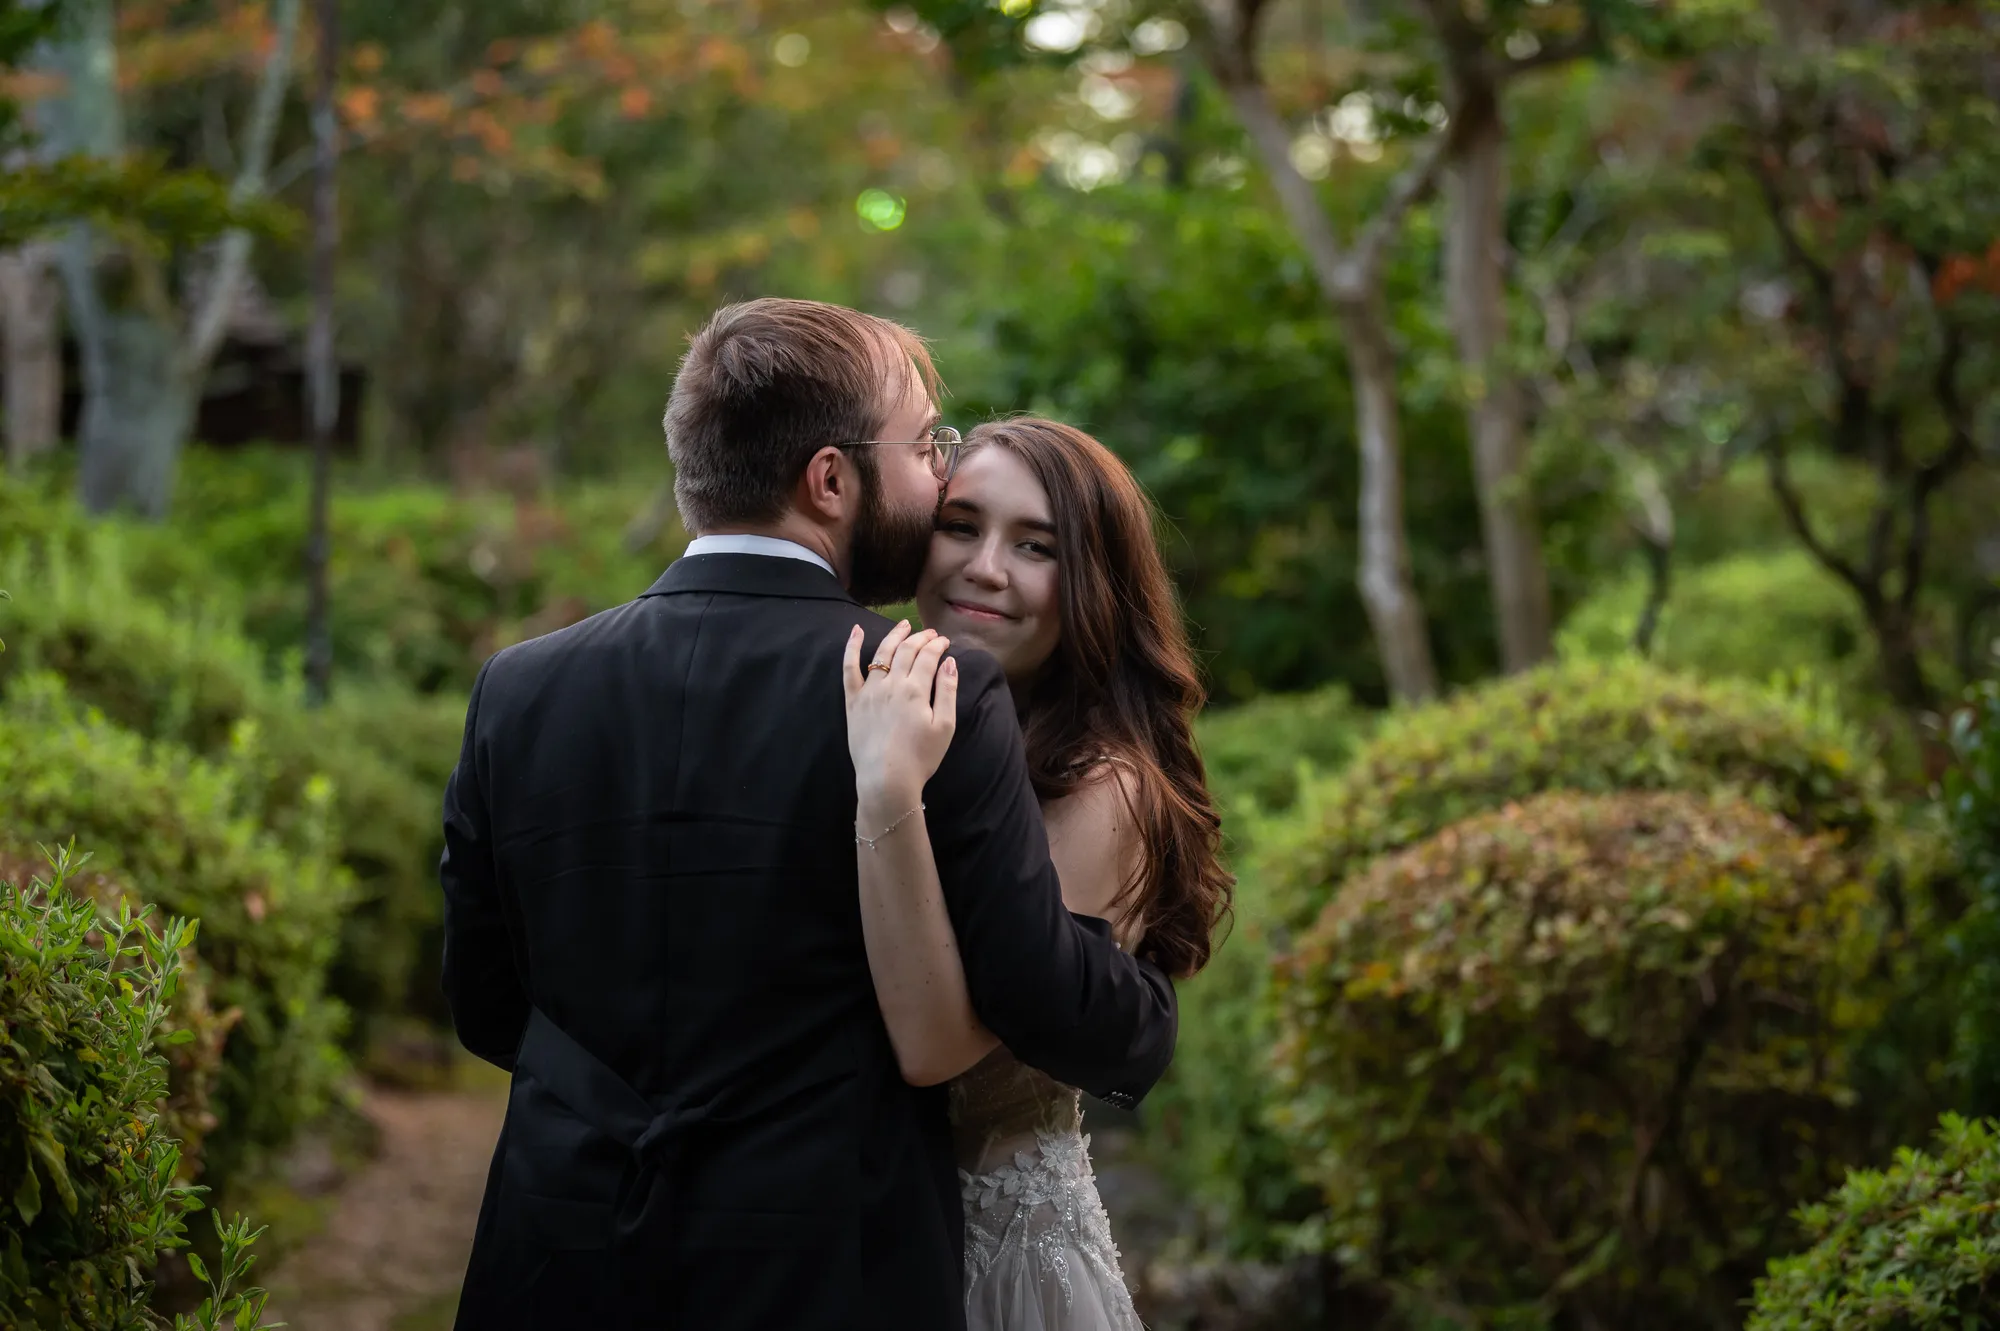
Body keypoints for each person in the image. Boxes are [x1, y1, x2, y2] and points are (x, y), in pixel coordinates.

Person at [438, 299, 1179, 1331]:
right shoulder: (927, 687)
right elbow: (1035, 995)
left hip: (557, 1252)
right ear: (831, 479)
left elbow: (483, 1000)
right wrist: (1144, 1006)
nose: (936, 480)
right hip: (825, 1262)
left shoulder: (517, 686)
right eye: (926, 446)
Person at [842, 417, 1233, 1331]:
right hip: (847, 1240)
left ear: (1091, 582)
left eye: (1035, 546)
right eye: (961, 525)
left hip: (993, 1252)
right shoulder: (872, 700)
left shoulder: (1109, 782)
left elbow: (961, 1047)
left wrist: (884, 791)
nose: (984, 568)